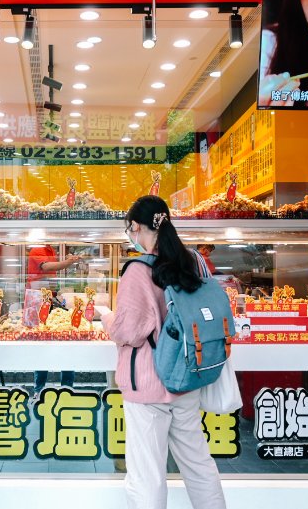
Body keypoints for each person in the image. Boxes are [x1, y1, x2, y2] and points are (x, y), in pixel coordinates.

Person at [102, 195, 226, 509]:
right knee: (199, 465)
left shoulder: (138, 270)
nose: (131, 235)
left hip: (148, 386)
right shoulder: (194, 261)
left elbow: (128, 331)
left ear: (137, 227)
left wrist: (105, 318)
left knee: (147, 475)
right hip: (187, 377)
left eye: (131, 229)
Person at [27, 244, 81, 401]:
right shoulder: (37, 249)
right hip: (37, 301)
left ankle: (67, 389)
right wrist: (69, 261)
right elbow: (47, 267)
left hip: (50, 299)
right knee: (41, 348)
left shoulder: (51, 250)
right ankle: (39, 389)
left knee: (65, 345)